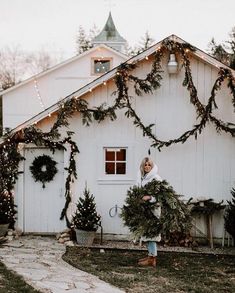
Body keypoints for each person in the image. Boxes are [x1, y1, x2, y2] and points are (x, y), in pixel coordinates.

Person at [136, 157, 162, 267]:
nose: (147, 167)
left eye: (149, 165)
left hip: (153, 209)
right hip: (146, 209)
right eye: (145, 165)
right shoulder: (143, 178)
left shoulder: (156, 178)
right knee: (147, 233)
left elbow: (160, 195)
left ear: (152, 166)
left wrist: (149, 197)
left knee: (152, 234)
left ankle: (153, 258)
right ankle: (150, 256)